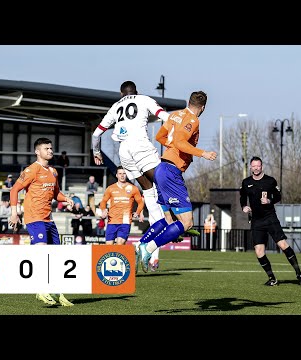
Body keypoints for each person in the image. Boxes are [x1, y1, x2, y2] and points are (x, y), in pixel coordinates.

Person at [92, 80, 170, 270]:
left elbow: (96, 134)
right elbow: (165, 117)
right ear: (137, 91)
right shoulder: (144, 99)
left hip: (124, 152)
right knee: (164, 181)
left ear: (121, 94)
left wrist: (96, 152)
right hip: (141, 147)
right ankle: (173, 218)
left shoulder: (116, 106)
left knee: (149, 191)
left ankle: (152, 249)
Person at [137, 91, 217, 273]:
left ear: (189, 102)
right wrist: (202, 153)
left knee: (169, 220)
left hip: (161, 169)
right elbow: (180, 142)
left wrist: (172, 148)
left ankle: (143, 243)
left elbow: (160, 137)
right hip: (171, 172)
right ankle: (147, 248)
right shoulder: (193, 120)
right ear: (203, 108)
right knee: (187, 223)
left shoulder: (174, 115)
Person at [8, 137, 75, 307]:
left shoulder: (53, 171)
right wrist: (14, 214)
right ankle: (41, 289)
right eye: (47, 148)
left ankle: (57, 293)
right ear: (37, 151)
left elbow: (55, 194)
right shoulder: (31, 170)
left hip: (48, 219)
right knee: (42, 251)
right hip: (34, 217)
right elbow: (15, 189)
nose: (50, 151)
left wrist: (66, 198)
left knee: (56, 257)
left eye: (51, 148)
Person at [240, 156, 301, 287]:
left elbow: (278, 196)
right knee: (259, 252)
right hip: (256, 221)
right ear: (250, 167)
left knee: (283, 245)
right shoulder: (246, 182)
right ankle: (272, 278)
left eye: (258, 166)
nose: (256, 168)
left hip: (270, 218)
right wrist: (244, 207)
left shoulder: (270, 181)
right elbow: (243, 197)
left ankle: (299, 274)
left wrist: (269, 200)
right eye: (253, 166)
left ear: (262, 166)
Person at [99, 166, 145, 245]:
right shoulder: (110, 188)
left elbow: (140, 202)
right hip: (112, 221)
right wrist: (103, 210)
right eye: (120, 173)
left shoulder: (133, 188)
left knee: (120, 244)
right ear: (116, 175)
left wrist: (138, 212)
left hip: (125, 221)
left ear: (126, 175)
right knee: (108, 246)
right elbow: (103, 202)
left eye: (124, 173)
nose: (122, 175)